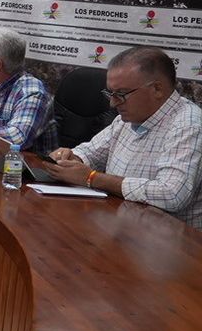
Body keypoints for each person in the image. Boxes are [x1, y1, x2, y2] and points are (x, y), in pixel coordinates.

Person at [46, 47, 202, 226]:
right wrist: (71, 158)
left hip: (168, 237)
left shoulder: (188, 125)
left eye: (120, 94)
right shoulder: (127, 118)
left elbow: (171, 194)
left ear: (157, 89)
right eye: (110, 94)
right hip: (121, 223)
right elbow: (90, 152)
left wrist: (92, 178)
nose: (113, 103)